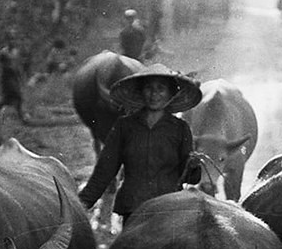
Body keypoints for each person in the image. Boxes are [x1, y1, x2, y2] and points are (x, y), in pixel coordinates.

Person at [78, 64, 203, 223]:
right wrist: (81, 204)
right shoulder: (125, 126)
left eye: (161, 89)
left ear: (171, 94)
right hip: (133, 208)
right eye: (148, 88)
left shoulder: (180, 129)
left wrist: (194, 166)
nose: (154, 94)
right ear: (140, 92)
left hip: (170, 209)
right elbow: (105, 170)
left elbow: (191, 179)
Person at [0, 39, 29, 124]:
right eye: (11, 40)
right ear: (8, 42)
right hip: (6, 78)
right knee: (17, 96)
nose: (13, 42)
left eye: (14, 40)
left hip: (14, 77)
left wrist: (20, 78)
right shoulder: (3, 52)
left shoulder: (15, 52)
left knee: (9, 98)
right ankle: (21, 116)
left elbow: (17, 66)